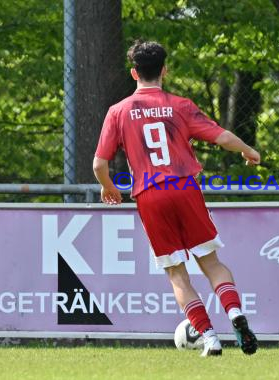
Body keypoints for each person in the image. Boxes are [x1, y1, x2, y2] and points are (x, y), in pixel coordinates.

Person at [93, 40, 260, 357]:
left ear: (133, 73)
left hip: (149, 195)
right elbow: (222, 137)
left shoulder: (118, 112)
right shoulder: (180, 105)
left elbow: (99, 164)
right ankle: (235, 313)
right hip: (184, 187)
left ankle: (209, 337)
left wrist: (108, 186)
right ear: (164, 71)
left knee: (176, 273)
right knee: (211, 263)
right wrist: (248, 150)